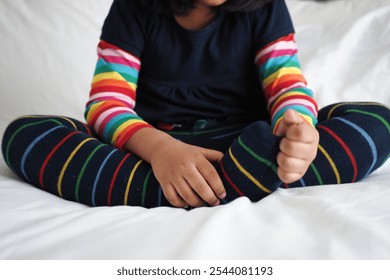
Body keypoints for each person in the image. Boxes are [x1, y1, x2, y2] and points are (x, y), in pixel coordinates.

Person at [2, 0, 389, 208]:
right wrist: (161, 150)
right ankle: (236, 181)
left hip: (250, 141)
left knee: (376, 122)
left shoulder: (265, 6)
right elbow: (107, 103)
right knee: (25, 134)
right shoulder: (133, 7)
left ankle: (184, 191)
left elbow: (287, 86)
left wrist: (297, 131)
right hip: (155, 150)